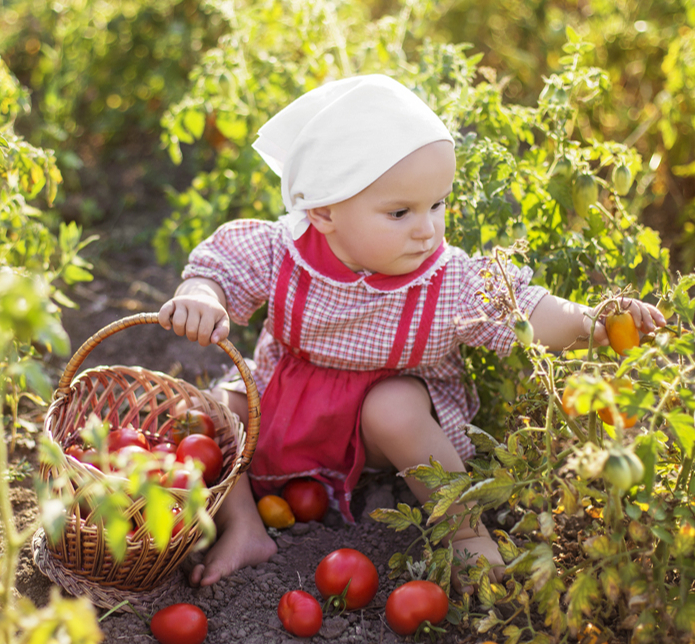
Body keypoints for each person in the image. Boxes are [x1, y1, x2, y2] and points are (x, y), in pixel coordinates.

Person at [158, 74, 666, 593]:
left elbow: (527, 310)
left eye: (437, 205)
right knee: (215, 410)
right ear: (325, 211)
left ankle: (464, 533)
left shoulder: (446, 280)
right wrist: (202, 295)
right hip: (291, 400)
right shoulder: (281, 252)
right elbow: (221, 269)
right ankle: (245, 525)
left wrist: (593, 320)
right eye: (400, 212)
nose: (427, 229)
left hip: (385, 427)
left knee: (392, 404)